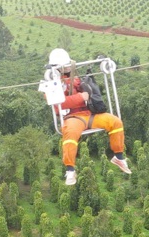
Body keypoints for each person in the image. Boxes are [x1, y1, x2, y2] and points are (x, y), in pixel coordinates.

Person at [44, 48, 131, 186]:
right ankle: (70, 169)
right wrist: (80, 97)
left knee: (115, 122)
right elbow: (59, 103)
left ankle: (119, 157)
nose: (66, 69)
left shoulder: (76, 79)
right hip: (73, 117)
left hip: (90, 114)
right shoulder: (49, 84)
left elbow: (85, 94)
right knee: (70, 134)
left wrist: (86, 89)